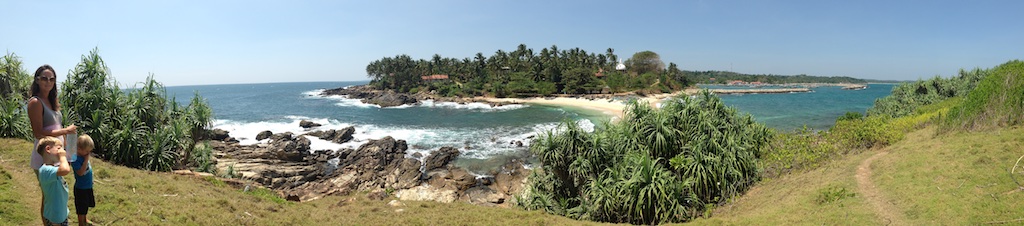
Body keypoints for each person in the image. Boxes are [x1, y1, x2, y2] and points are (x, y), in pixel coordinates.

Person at [28, 64, 76, 225]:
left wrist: (67, 149)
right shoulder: (35, 102)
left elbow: (56, 128)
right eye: (44, 78)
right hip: (44, 155)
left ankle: (57, 218)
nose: (48, 82)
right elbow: (38, 133)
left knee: (57, 191)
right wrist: (65, 131)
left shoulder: (52, 101)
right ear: (37, 80)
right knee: (48, 194)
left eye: (52, 79)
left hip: (56, 153)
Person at [37, 136, 71, 226]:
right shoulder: (45, 170)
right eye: (59, 148)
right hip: (55, 218)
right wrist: (62, 157)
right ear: (48, 149)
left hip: (60, 214)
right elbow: (65, 170)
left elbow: (65, 167)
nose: (61, 152)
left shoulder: (52, 169)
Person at [69, 134, 95, 226]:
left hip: (88, 185)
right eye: (87, 151)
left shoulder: (83, 156)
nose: (88, 153)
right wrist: (85, 160)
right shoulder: (75, 159)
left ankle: (85, 219)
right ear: (79, 149)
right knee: (81, 208)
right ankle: (81, 222)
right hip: (81, 188)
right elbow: (80, 172)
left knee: (86, 205)